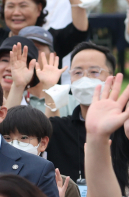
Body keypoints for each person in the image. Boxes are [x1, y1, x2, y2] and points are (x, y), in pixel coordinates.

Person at [0, 105, 84, 197]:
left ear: (43, 143)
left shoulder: (63, 186)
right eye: (7, 138)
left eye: (24, 138)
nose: (14, 144)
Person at [44, 42, 117, 181]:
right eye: (77, 72)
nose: (85, 78)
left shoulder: (127, 127)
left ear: (112, 80)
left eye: (94, 72)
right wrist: (49, 88)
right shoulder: (60, 129)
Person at [0, 0, 88, 70]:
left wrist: (75, 2)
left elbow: (79, 31)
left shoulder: (50, 39)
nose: (16, 12)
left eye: (23, 5)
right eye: (10, 6)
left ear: (39, 8)